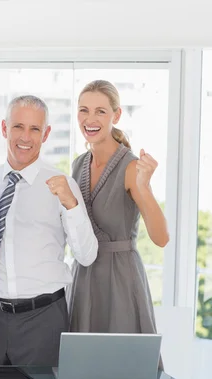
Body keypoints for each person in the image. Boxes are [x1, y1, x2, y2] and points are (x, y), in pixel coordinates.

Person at [0, 95, 98, 367]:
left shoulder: (63, 185)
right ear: (4, 128)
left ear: (46, 134)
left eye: (34, 129)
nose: (25, 137)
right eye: (18, 127)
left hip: (42, 319)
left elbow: (86, 255)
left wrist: (71, 204)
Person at [69, 80, 169, 335]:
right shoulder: (78, 165)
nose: (90, 119)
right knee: (82, 366)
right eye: (84, 110)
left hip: (120, 280)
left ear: (117, 115)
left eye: (100, 111)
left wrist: (144, 187)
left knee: (123, 366)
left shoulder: (131, 167)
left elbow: (161, 238)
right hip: (83, 277)